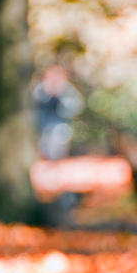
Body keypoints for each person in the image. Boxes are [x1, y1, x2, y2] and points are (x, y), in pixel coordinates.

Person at [32, 65, 84, 225]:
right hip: (43, 130)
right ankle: (44, 183)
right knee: (43, 157)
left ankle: (55, 182)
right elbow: (33, 105)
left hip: (59, 129)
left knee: (56, 155)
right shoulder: (40, 89)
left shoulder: (67, 91)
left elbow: (74, 107)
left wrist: (60, 98)